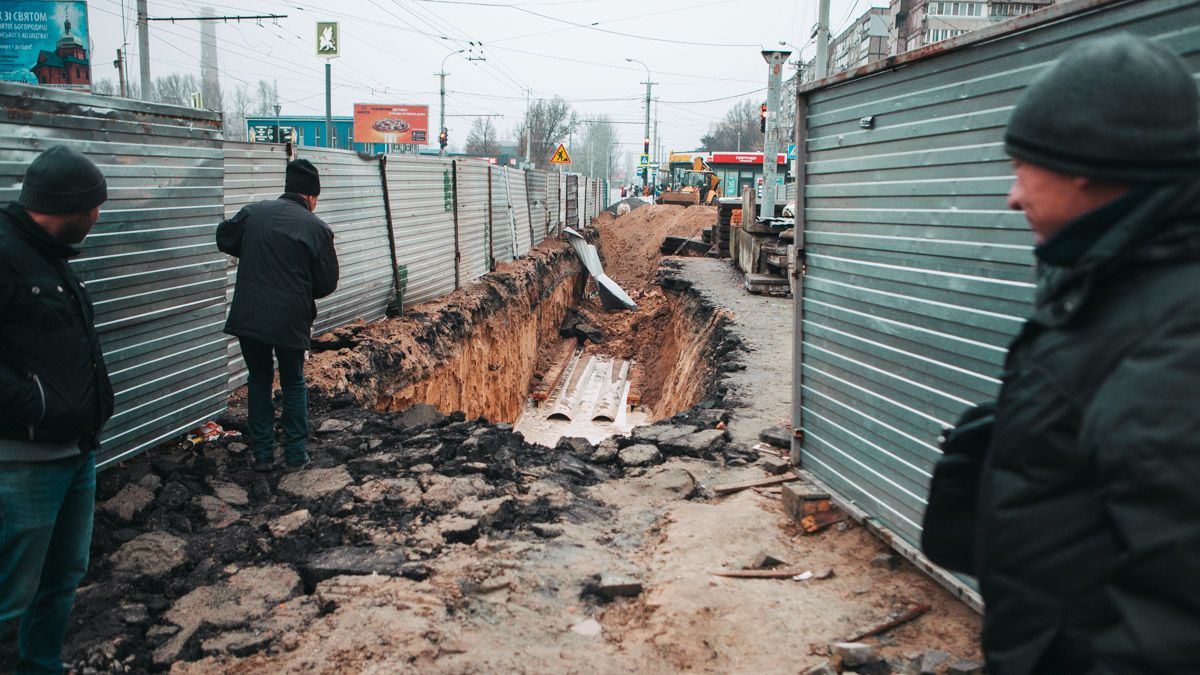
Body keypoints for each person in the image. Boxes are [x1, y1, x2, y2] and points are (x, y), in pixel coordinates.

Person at [932, 34, 1200, 674]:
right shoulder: (1117, 281)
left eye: (1023, 168)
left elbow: (1171, 618)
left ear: (1083, 163)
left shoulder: (1175, 334)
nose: (1012, 197)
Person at [0, 146, 114, 673]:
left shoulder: (51, 258)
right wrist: (37, 406)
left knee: (62, 577)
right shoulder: (5, 256)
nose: (96, 218)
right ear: (63, 205)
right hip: (23, 460)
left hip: (74, 451)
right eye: (91, 208)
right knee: (11, 595)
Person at [217, 159, 339, 472]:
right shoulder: (316, 228)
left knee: (258, 379)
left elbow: (224, 238)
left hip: (251, 316)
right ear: (312, 197)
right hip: (290, 319)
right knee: (293, 382)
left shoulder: (253, 213)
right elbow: (327, 283)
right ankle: (296, 456)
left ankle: (263, 456)